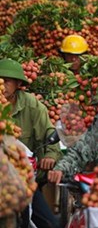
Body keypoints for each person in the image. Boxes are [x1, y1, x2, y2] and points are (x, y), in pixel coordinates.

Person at [0, 59, 62, 228]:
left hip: (23, 177)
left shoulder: (32, 105)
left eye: (7, 81)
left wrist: (50, 154)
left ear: (18, 83)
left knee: (49, 224)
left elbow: (49, 132)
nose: (2, 85)